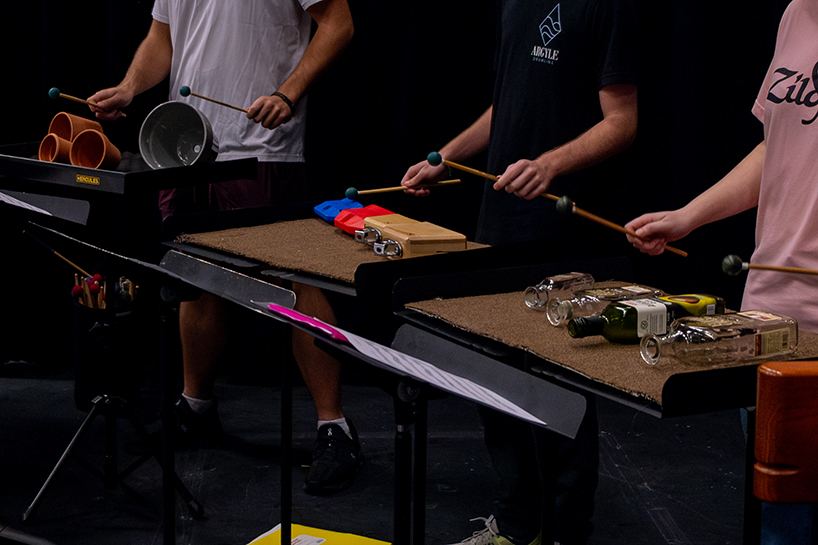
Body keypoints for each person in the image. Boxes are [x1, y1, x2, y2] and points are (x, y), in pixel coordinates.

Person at [87, 0, 362, 495]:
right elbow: (162, 38)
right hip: (183, 146)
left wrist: (288, 93)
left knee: (294, 281)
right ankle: (196, 406)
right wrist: (130, 86)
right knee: (194, 277)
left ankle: (334, 428)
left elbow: (338, 23)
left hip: (260, 148)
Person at [401, 0, 638, 543]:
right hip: (498, 222)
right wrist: (448, 156)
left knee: (561, 381)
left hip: (563, 228)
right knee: (495, 376)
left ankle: (565, 531)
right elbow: (508, 103)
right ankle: (516, 524)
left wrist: (550, 165)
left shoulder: (606, 7)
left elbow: (622, 122)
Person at [624, 1, 817, 543]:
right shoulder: (796, 14)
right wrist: (690, 216)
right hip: (767, 312)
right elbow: (778, 147)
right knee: (778, 524)